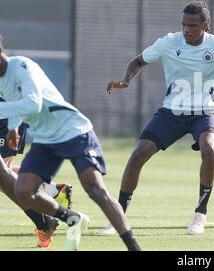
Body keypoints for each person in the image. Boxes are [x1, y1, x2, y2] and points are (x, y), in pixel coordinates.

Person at [105, 1, 214, 235]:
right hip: (172, 111)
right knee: (139, 153)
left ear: (205, 25)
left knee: (209, 150)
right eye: (184, 24)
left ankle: (200, 214)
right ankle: (119, 216)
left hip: (205, 111)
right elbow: (137, 61)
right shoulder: (168, 42)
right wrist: (126, 80)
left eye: (193, 26)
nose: (187, 30)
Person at [0, 34, 141, 251]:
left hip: (73, 130)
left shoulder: (22, 66)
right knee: (23, 191)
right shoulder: (2, 81)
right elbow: (15, 102)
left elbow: (33, 103)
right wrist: (13, 127)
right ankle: (72, 218)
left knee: (95, 190)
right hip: (46, 139)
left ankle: (133, 247)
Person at [0, 117, 72, 247]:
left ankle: (44, 220)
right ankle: (53, 190)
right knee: (5, 173)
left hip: (6, 119)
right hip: (8, 118)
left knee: (3, 176)